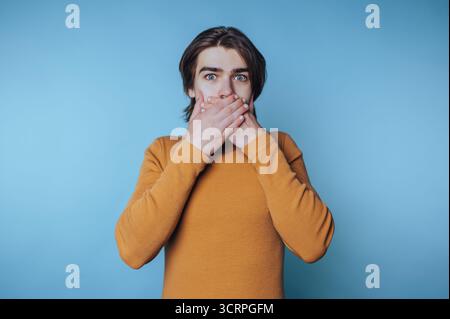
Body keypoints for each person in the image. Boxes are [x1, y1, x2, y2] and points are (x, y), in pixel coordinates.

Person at [114, 26, 335, 299]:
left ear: (253, 91)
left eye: (240, 77)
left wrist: (259, 147)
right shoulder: (164, 151)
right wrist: (193, 150)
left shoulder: (279, 147)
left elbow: (312, 245)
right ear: (191, 88)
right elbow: (133, 251)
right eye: (210, 76)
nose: (226, 91)